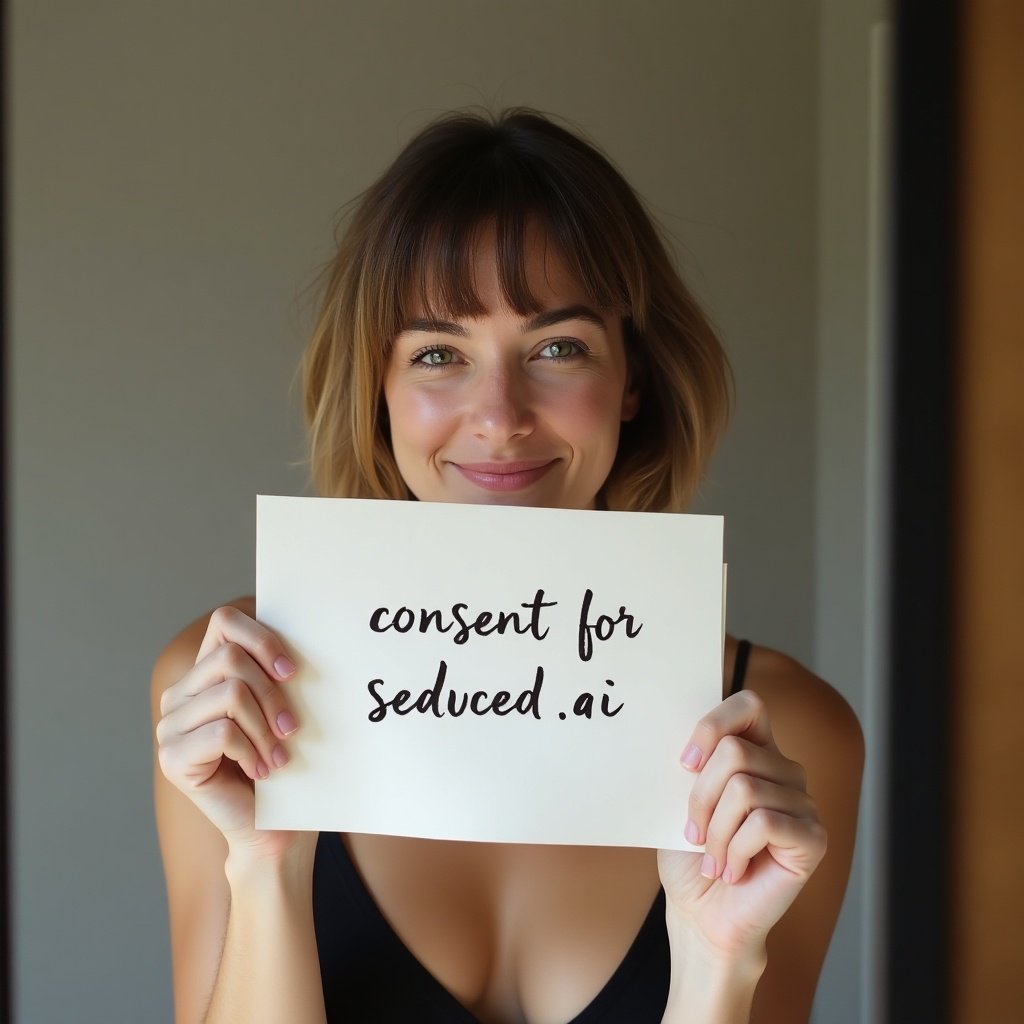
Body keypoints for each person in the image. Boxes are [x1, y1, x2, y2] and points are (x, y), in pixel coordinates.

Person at [152, 108, 863, 1024]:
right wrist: (264, 866)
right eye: (439, 354)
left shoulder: (789, 737)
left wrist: (719, 962)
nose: (499, 414)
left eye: (557, 348)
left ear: (633, 379)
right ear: (381, 391)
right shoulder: (225, 693)